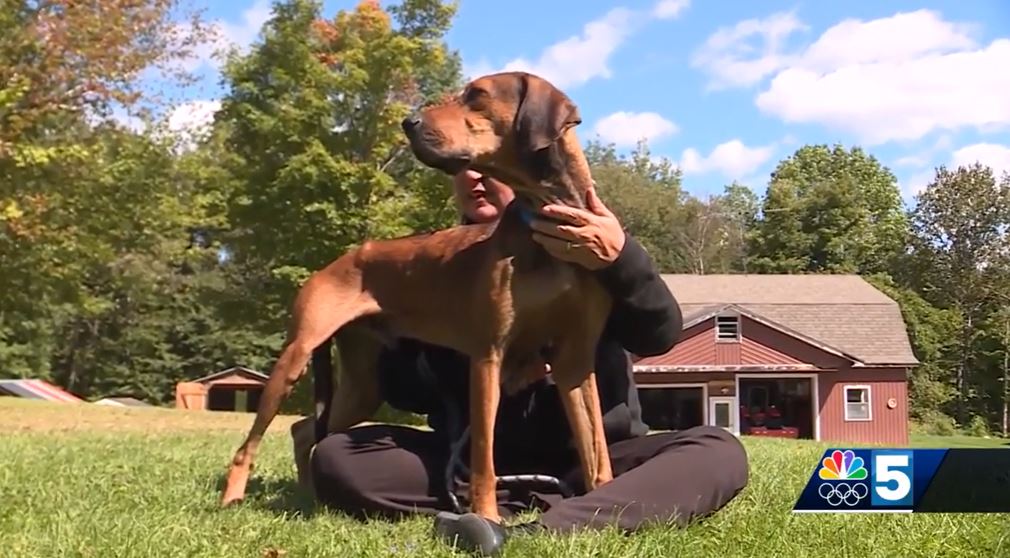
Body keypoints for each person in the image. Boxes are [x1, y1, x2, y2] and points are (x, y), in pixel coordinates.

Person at [291, 170, 749, 554]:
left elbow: (660, 334)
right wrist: (457, 348)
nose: (475, 175)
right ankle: (565, 510)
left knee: (718, 451)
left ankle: (539, 529)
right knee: (336, 458)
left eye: (492, 164)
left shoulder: (586, 249)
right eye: (464, 166)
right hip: (470, 466)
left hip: (597, 458)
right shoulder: (431, 262)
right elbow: (406, 391)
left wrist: (622, 257)